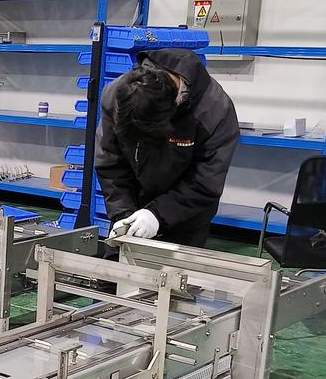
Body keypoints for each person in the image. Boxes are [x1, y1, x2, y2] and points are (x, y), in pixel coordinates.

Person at [95, 48, 240, 248]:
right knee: (113, 266)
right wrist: (123, 213)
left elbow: (206, 184)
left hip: (184, 217)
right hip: (132, 211)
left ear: (175, 104)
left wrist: (157, 214)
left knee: (173, 268)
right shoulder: (118, 96)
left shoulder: (215, 112)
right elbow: (110, 163)